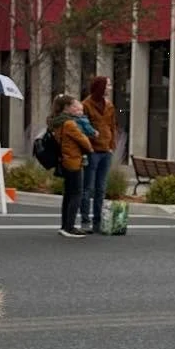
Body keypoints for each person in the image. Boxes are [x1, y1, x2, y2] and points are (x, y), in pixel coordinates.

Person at [50, 93, 92, 238]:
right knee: (76, 194)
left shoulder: (56, 122)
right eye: (74, 105)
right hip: (73, 160)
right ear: (66, 107)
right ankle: (70, 227)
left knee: (68, 194)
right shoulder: (69, 123)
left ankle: (64, 225)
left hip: (64, 160)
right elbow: (84, 141)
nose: (76, 107)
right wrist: (88, 144)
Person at [80, 75, 117, 233]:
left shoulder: (109, 105)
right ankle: (85, 219)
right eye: (108, 85)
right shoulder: (86, 105)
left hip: (105, 151)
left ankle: (98, 220)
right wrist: (89, 146)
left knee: (101, 188)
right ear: (101, 87)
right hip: (92, 151)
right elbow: (82, 127)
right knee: (88, 187)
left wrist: (111, 146)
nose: (110, 88)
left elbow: (112, 126)